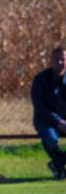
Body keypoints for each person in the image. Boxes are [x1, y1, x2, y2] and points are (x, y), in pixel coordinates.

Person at [30, 47, 66, 179]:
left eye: (63, 59)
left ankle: (57, 164)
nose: (60, 62)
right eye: (57, 59)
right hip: (46, 121)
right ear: (51, 61)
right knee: (51, 140)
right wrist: (58, 121)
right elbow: (39, 107)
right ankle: (59, 166)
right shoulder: (40, 80)